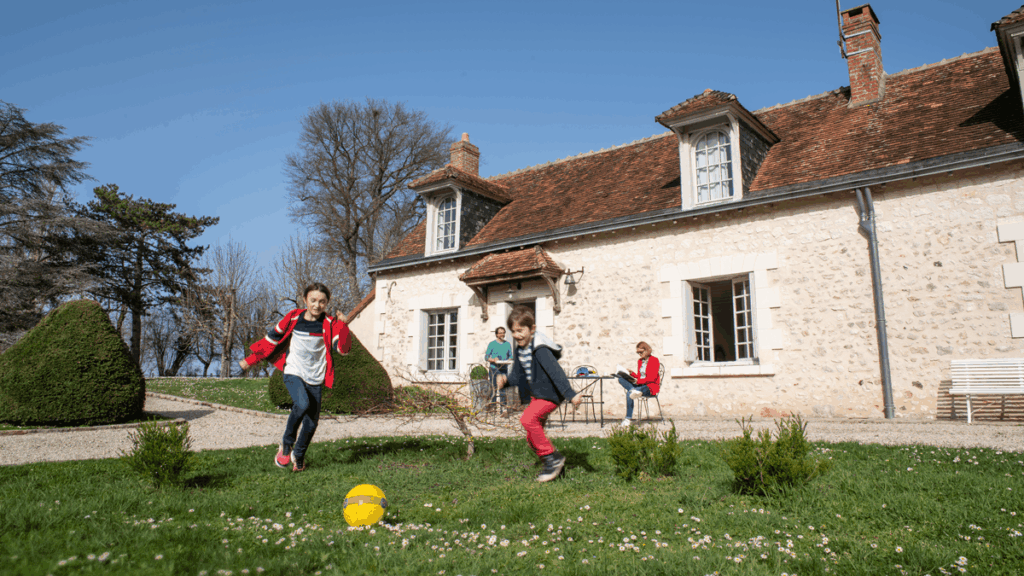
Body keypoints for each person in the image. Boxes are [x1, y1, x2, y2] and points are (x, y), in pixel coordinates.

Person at [239, 282, 351, 472]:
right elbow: (272, 340)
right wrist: (251, 360)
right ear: (305, 299)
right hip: (293, 372)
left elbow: (342, 349)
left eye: (322, 302)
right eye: (313, 300)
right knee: (302, 403)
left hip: (315, 377)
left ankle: (298, 455)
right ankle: (286, 444)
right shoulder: (293, 317)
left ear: (327, 303)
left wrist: (343, 326)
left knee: (311, 422)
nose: (317, 305)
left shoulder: (330, 324)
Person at [496, 305, 582, 482]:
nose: (516, 335)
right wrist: (505, 382)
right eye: (513, 331)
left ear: (532, 329)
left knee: (527, 419)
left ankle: (552, 458)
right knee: (531, 438)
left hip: (549, 395)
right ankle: (554, 468)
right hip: (537, 396)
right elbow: (517, 376)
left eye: (520, 330)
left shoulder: (541, 349)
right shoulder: (521, 350)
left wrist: (570, 394)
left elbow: (556, 372)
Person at [616, 341, 661, 427]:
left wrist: (638, 381)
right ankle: (633, 390)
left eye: (641, 352)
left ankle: (628, 419)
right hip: (640, 385)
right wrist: (632, 374)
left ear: (647, 350)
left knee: (629, 393)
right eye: (638, 353)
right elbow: (641, 377)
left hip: (650, 387)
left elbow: (652, 378)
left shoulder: (654, 360)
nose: (639, 354)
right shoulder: (640, 361)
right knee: (621, 379)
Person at [485, 326, 513, 408]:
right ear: (496, 334)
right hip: (494, 369)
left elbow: (510, 356)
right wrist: (493, 359)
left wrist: (509, 359)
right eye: (500, 333)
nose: (502, 334)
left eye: (503, 332)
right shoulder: (492, 344)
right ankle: (493, 408)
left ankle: (503, 409)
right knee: (493, 389)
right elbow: (486, 357)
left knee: (503, 389)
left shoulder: (507, 344)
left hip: (504, 369)